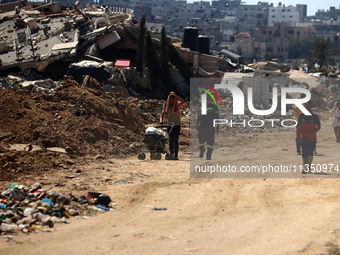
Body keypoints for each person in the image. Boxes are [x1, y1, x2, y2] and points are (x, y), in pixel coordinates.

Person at [296, 101, 321, 174]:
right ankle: (305, 167)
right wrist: (297, 137)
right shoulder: (301, 116)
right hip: (303, 137)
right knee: (304, 152)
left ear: (312, 107)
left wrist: (311, 133)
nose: (308, 108)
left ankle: (309, 167)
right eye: (307, 106)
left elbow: (319, 127)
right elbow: (299, 127)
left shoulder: (315, 116)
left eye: (309, 106)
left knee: (310, 153)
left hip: (312, 138)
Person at [160, 91, 185, 160]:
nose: (171, 100)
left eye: (173, 99)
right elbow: (162, 114)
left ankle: (176, 155)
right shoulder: (166, 106)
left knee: (175, 140)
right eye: (170, 99)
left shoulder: (177, 105)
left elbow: (183, 101)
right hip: (169, 125)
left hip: (176, 125)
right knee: (170, 140)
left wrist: (176, 96)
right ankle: (171, 154)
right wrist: (161, 121)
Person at [196, 95, 220, 160]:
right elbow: (199, 116)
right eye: (207, 98)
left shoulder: (214, 107)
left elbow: (217, 118)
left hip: (211, 127)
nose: (208, 99)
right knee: (201, 140)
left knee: (211, 142)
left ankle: (208, 156)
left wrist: (217, 127)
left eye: (209, 98)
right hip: (202, 126)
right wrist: (197, 125)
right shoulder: (201, 105)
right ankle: (202, 150)